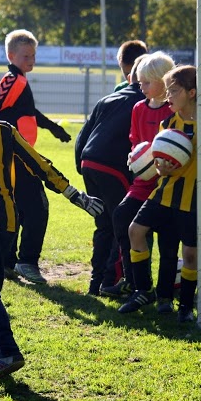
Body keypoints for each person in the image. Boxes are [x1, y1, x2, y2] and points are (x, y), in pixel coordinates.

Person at [0, 60, 103, 390]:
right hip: (7, 223)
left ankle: (7, 352)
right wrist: (72, 193)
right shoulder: (5, 131)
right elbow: (40, 164)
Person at [119, 65, 201, 322]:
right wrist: (161, 167)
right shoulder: (167, 122)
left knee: (190, 255)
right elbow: (159, 165)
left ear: (192, 92)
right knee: (135, 231)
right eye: (167, 90)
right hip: (165, 193)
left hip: (196, 199)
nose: (167, 96)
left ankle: (185, 308)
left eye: (174, 91)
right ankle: (142, 290)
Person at [0, 29, 73, 284]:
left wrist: (53, 128)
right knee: (38, 208)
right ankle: (26, 262)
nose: (31, 60)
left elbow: (29, 111)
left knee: (17, 209)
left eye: (34, 55)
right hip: (16, 156)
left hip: (20, 154)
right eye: (26, 55)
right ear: (11, 55)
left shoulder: (20, 80)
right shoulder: (12, 79)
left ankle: (7, 262)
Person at [108, 52, 178, 313]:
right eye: (139, 82)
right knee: (121, 217)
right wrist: (135, 156)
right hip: (143, 181)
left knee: (168, 238)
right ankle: (138, 285)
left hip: (168, 184)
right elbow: (136, 142)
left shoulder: (174, 110)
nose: (141, 87)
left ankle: (165, 296)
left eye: (147, 83)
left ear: (163, 81)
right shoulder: (138, 108)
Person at [74, 50, 147, 296]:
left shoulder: (108, 99)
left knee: (104, 224)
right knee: (122, 224)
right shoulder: (144, 104)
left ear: (129, 77)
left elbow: (82, 137)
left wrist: (81, 166)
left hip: (89, 163)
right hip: (114, 167)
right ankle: (112, 282)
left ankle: (96, 284)